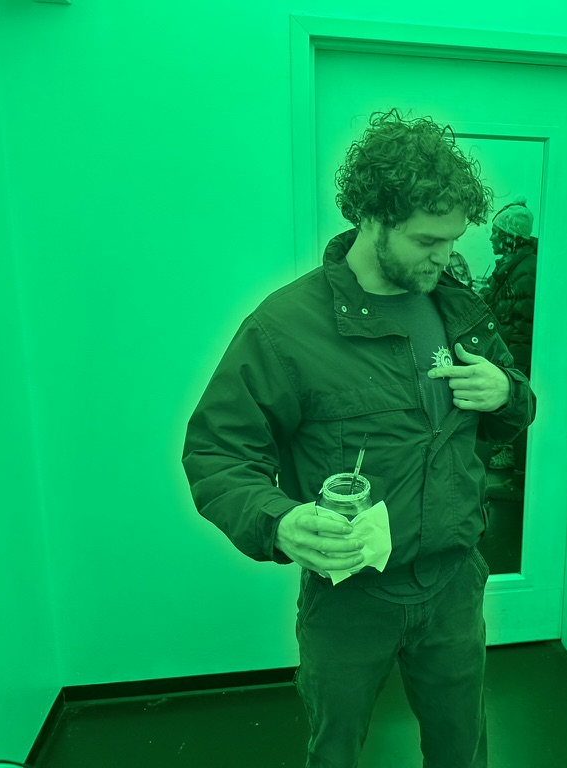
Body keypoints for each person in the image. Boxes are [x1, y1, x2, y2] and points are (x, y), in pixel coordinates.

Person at [181, 110, 536, 768]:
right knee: (335, 752)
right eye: (427, 240)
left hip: (453, 584)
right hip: (350, 599)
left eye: (453, 239)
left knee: (462, 749)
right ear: (373, 217)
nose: (444, 256)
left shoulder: (460, 307)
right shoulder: (286, 329)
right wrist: (278, 521)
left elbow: (509, 412)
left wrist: (507, 392)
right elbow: (217, 452)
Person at [477, 198, 538, 500]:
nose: (491, 238)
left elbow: (524, 326)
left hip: (515, 363)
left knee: (522, 424)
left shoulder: (525, 270)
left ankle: (520, 483)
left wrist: (516, 372)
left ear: (510, 236)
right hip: (509, 361)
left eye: (496, 232)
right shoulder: (515, 266)